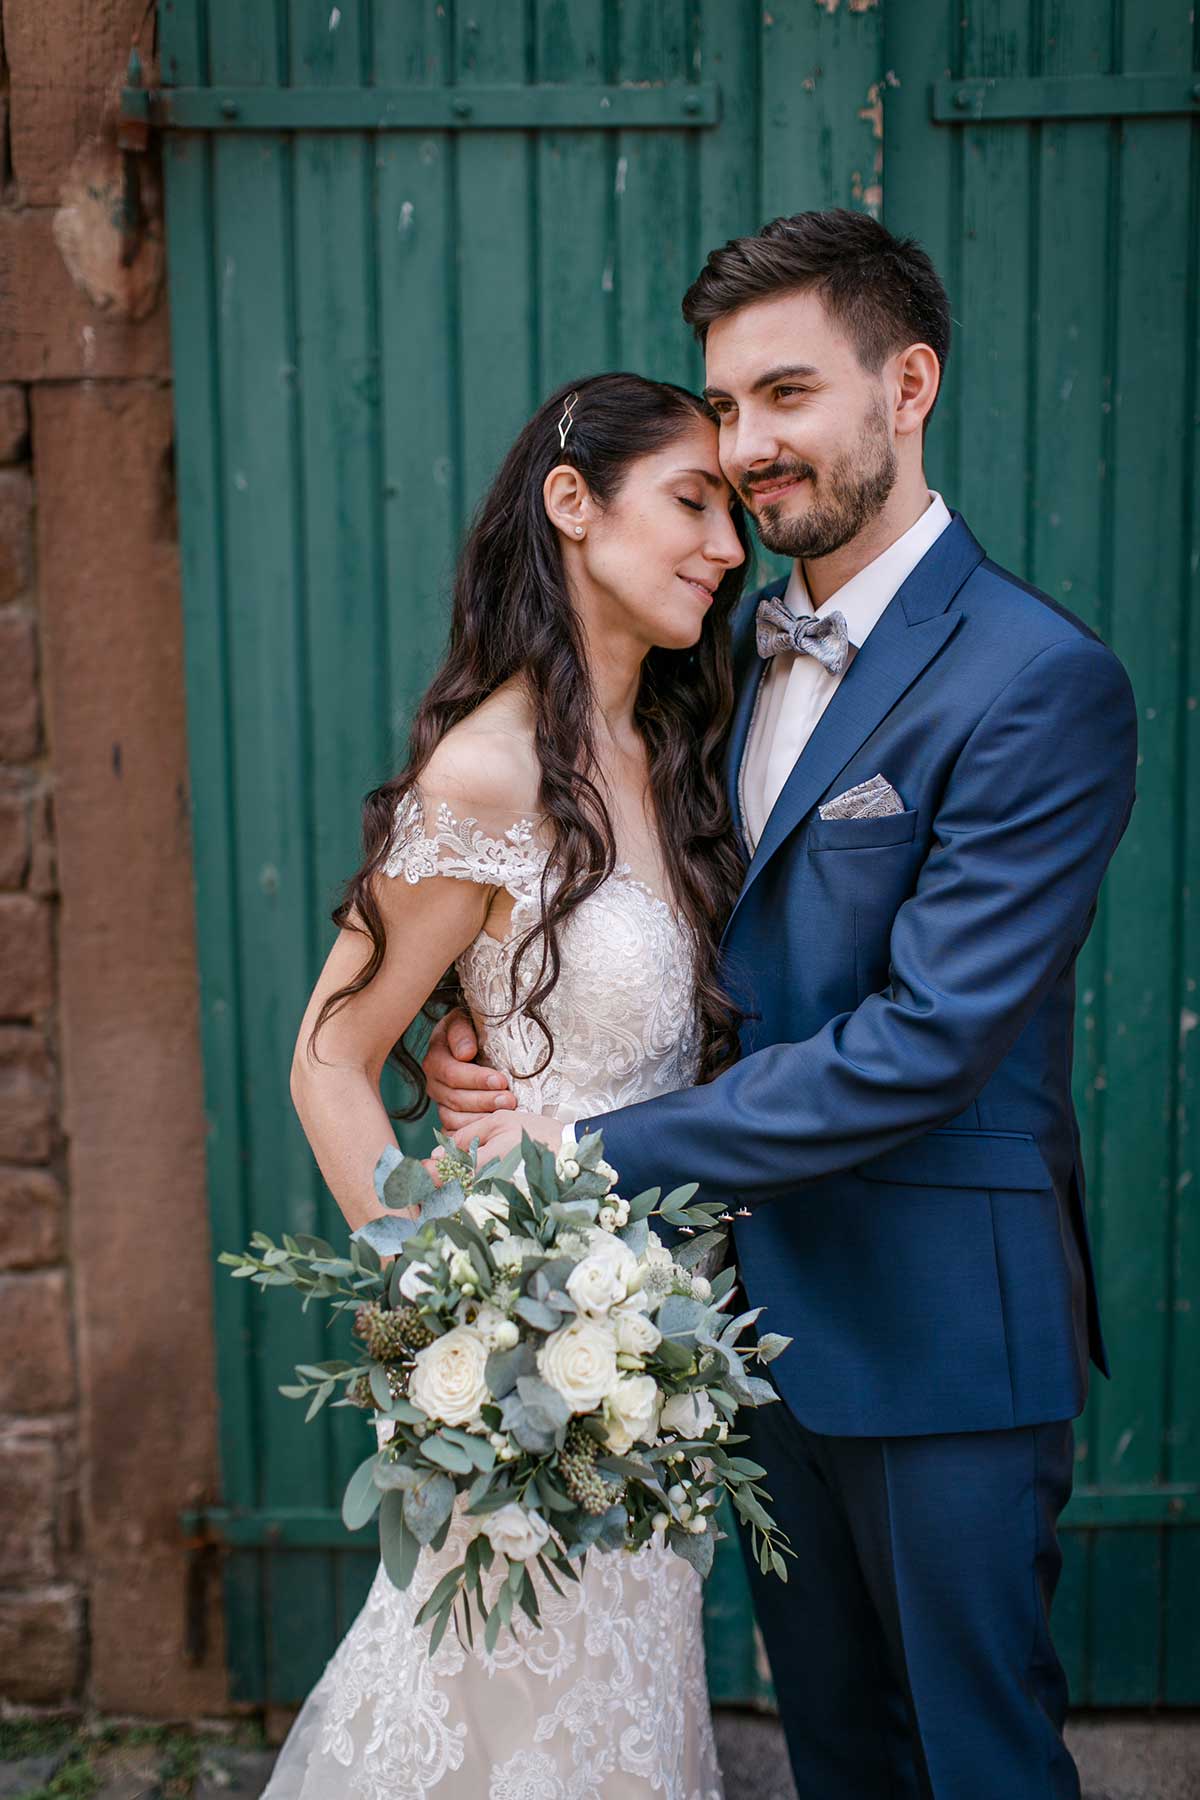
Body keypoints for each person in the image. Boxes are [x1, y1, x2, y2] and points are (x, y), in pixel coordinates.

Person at [425, 210, 1139, 1800]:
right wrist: (488, 1006)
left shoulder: (1037, 679)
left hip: (946, 1327)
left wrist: (590, 1146)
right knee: (840, 1763)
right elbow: (645, 909)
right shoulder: (727, 654)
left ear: (909, 388)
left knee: (981, 1764)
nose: (748, 446)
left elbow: (928, 1038)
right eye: (728, 407)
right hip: (744, 1330)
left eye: (789, 394)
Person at [266, 371, 747, 1800]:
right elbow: (329, 1058)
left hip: (667, 1361)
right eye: (693, 502)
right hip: (546, 1367)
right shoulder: (484, 775)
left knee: (624, 1716)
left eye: (732, 511)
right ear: (571, 502)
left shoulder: (672, 749)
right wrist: (452, 1321)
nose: (727, 544)